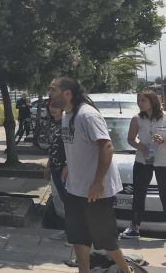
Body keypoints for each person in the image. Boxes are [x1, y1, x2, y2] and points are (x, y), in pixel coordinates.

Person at [47, 77, 129, 273]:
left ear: (67, 94)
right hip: (75, 188)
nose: (49, 93)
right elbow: (77, 146)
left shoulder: (87, 115)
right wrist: (68, 164)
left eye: (53, 89)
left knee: (106, 240)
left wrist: (97, 182)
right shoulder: (68, 116)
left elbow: (107, 147)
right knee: (78, 236)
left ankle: (126, 271)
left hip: (96, 191)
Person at [121, 90, 166, 239]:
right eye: (138, 100)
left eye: (143, 100)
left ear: (152, 101)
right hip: (143, 161)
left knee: (164, 195)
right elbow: (130, 139)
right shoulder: (136, 119)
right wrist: (142, 147)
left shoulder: (165, 118)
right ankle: (134, 227)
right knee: (139, 194)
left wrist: (163, 141)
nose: (140, 103)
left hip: (162, 162)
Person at [44, 98, 68, 241]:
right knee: (64, 201)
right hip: (54, 167)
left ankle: (75, 234)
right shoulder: (52, 124)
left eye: (56, 106)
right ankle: (68, 230)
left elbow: (71, 148)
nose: (53, 109)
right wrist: (48, 165)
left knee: (70, 203)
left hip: (65, 169)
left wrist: (68, 165)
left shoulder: (66, 124)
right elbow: (52, 148)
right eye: (50, 106)